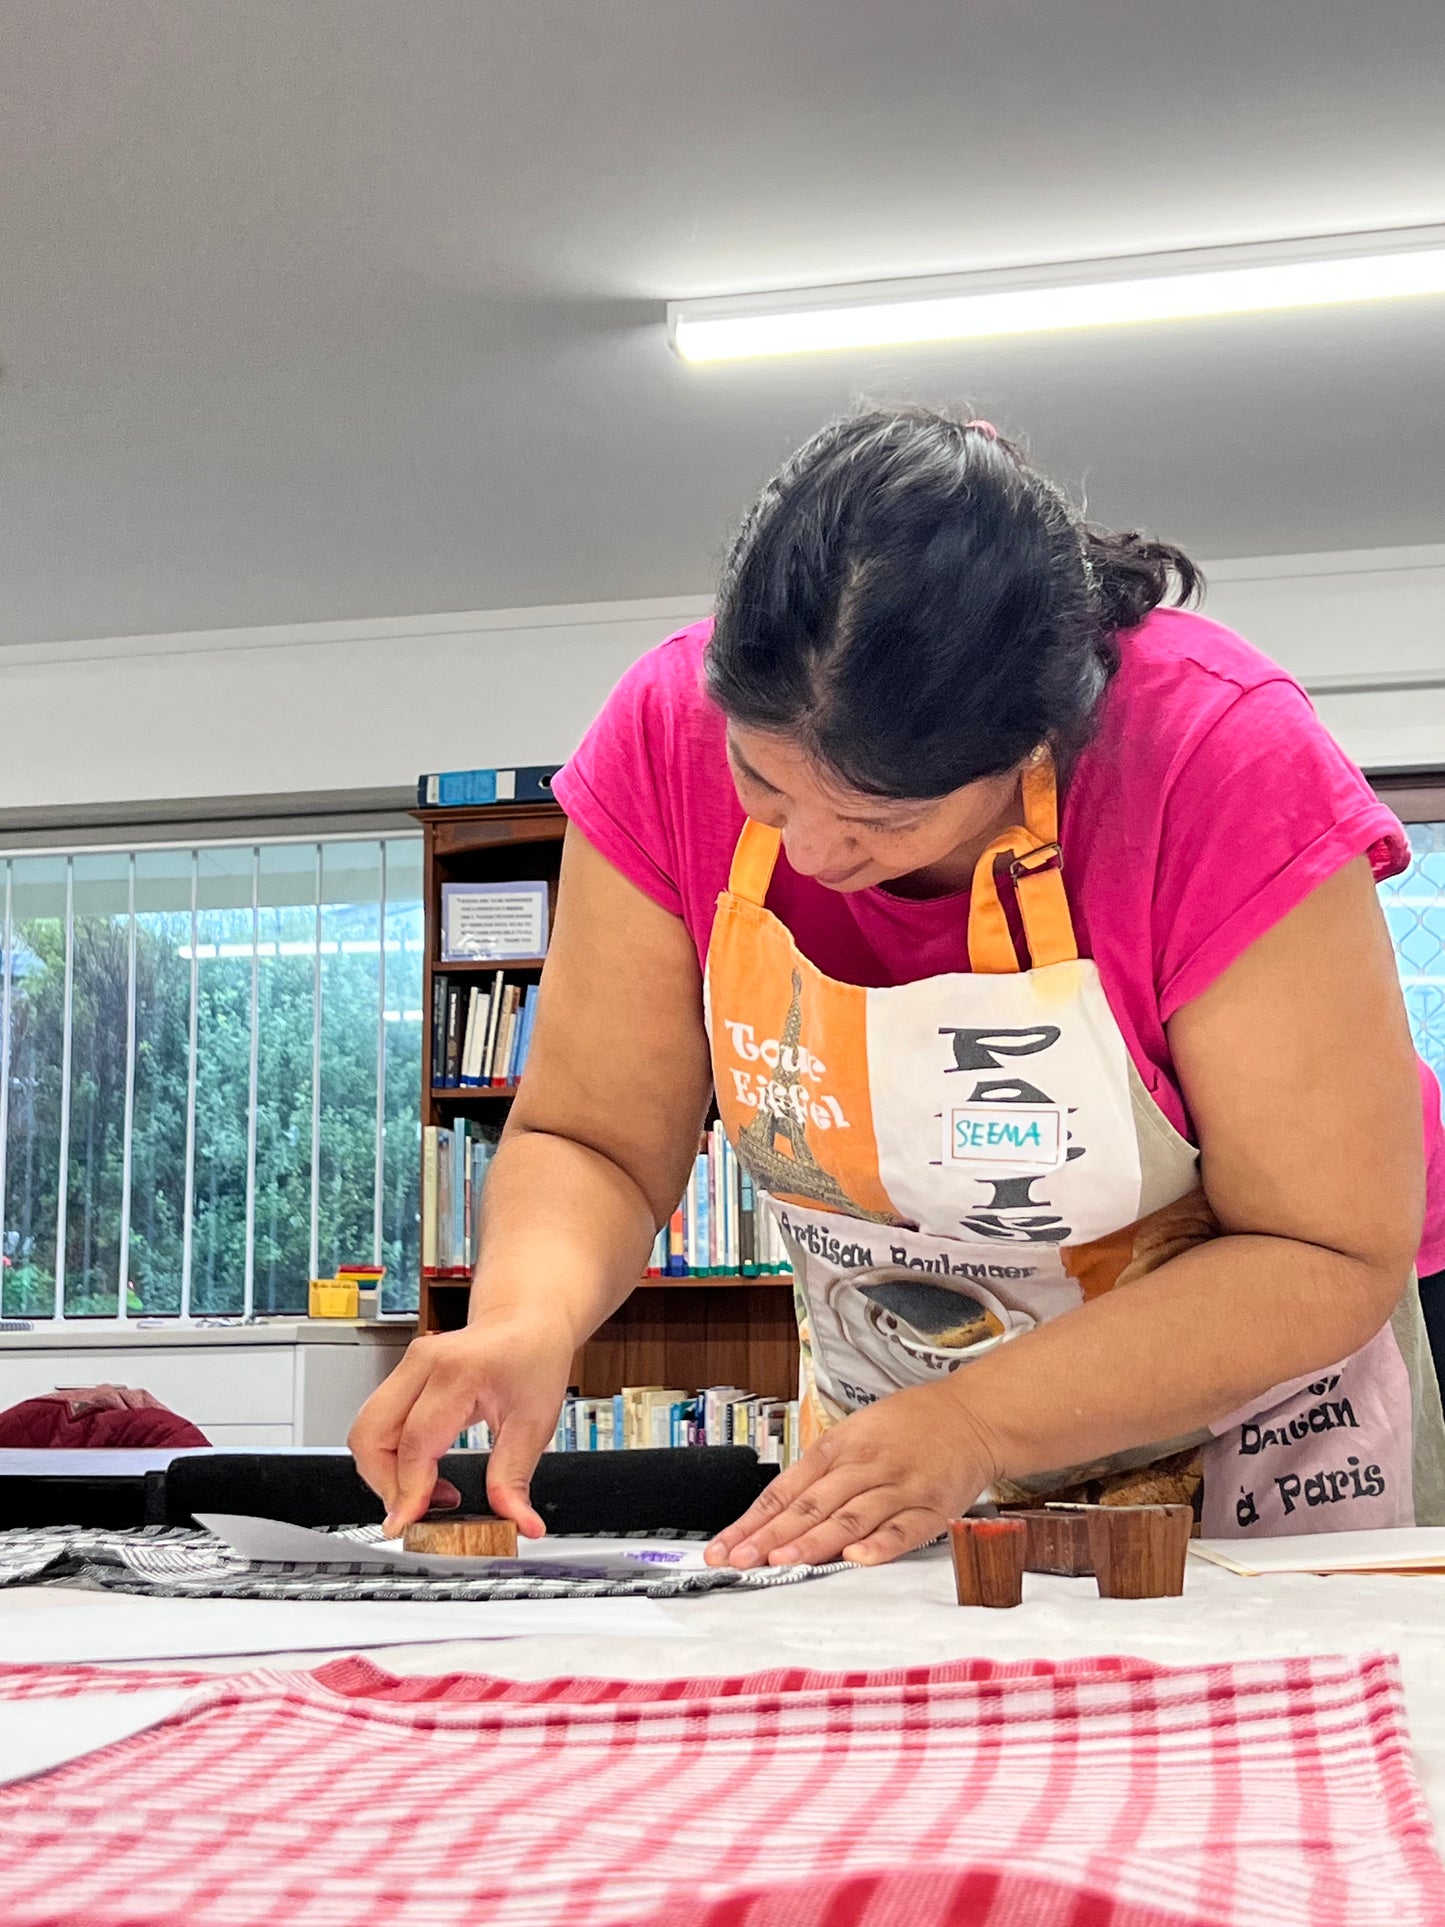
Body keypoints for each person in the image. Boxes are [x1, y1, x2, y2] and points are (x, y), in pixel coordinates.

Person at [351, 405, 1445, 1565]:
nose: (814, 853)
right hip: (899, 1434)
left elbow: (1322, 1246)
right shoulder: (660, 735)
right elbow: (592, 1136)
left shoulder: (1216, 759)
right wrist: (528, 1315)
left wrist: (976, 1420)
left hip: (1252, 1416)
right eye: (762, 785)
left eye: (885, 817)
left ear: (1038, 739)